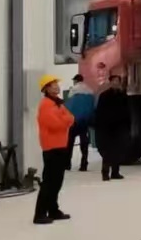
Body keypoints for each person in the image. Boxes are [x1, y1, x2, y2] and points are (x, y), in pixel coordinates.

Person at [34, 75, 74, 225]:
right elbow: (56, 124)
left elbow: (71, 118)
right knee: (49, 182)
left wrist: (65, 119)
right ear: (46, 89)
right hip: (51, 147)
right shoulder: (46, 105)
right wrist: (65, 120)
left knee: (57, 181)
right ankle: (40, 214)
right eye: (52, 85)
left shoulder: (57, 104)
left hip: (60, 145)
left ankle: (53, 210)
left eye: (56, 84)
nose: (56, 87)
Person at [93, 74, 130, 181]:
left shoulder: (123, 95)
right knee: (107, 151)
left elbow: (127, 111)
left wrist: (127, 125)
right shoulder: (104, 96)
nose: (116, 83)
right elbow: (100, 113)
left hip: (119, 127)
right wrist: (100, 127)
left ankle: (115, 172)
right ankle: (105, 173)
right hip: (107, 128)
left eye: (117, 81)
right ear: (110, 82)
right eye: (114, 81)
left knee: (118, 150)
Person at [63, 74, 95, 172]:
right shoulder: (90, 91)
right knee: (84, 142)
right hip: (85, 120)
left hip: (74, 120)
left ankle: (67, 163)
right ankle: (84, 164)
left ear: (76, 81)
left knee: (70, 142)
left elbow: (69, 105)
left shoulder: (73, 90)